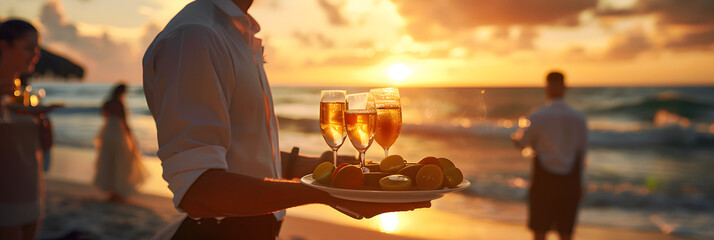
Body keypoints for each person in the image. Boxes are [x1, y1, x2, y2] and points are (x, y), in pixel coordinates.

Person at [142, 0, 430, 239]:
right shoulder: (194, 38)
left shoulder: (233, 32)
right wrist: (327, 193)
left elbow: (243, 154)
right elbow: (198, 190)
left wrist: (315, 168)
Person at [511, 71, 588, 240]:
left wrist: (515, 138)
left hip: (543, 180)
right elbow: (582, 154)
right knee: (566, 233)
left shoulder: (537, 116)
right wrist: (581, 183)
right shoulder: (579, 118)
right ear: (565, 87)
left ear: (547, 88)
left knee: (540, 231)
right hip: (571, 181)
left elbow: (523, 143)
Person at [0, 19, 43, 240]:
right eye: (28, 48)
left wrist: (44, 121)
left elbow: (44, 147)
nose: (35, 55)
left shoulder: (27, 96)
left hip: (31, 188)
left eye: (37, 49)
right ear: (3, 46)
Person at [93, 83, 147, 203]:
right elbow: (124, 122)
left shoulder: (107, 102)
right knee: (120, 160)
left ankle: (111, 190)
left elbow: (104, 115)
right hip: (117, 131)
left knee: (108, 159)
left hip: (107, 131)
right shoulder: (120, 104)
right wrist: (132, 139)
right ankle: (117, 191)